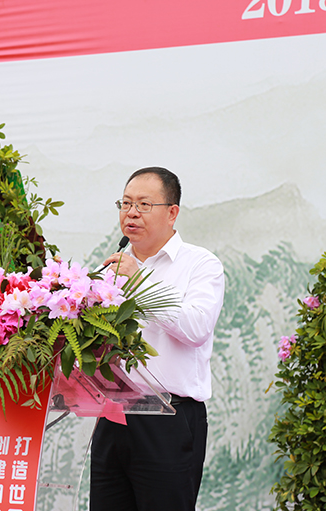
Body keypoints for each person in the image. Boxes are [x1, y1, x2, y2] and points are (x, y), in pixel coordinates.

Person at [90, 167, 225, 511]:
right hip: (112, 416)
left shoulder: (201, 264)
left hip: (169, 420)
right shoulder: (110, 270)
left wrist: (139, 283)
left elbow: (196, 328)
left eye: (144, 204)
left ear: (172, 212)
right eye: (125, 203)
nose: (131, 213)